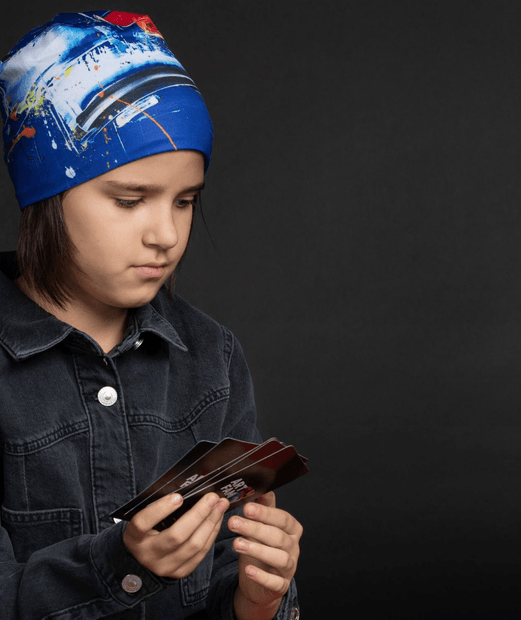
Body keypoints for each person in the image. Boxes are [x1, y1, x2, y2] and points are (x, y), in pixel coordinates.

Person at [0, 11, 302, 620]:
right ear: (46, 198)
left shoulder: (212, 357)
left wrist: (258, 599)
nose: (165, 235)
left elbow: (221, 575)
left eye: (185, 201)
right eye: (130, 200)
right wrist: (121, 563)